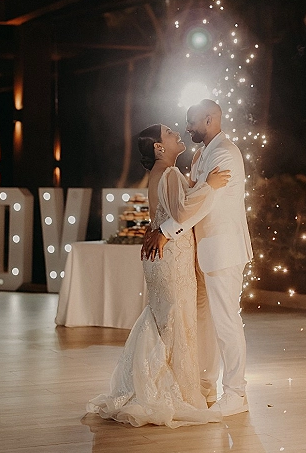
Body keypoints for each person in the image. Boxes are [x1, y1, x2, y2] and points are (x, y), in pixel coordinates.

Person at [85, 122, 229, 428]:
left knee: (165, 319)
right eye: (169, 133)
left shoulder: (163, 174)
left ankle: (150, 383)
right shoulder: (168, 173)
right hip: (171, 258)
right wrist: (210, 186)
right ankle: (172, 392)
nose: (177, 134)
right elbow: (181, 212)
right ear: (159, 147)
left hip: (164, 257)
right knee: (176, 320)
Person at [143, 100, 253, 417]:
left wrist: (164, 231)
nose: (187, 127)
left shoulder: (225, 153)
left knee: (226, 322)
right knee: (204, 323)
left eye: (191, 122)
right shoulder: (203, 152)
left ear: (209, 119)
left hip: (222, 250)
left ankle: (236, 393)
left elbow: (202, 205)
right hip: (200, 252)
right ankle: (205, 386)